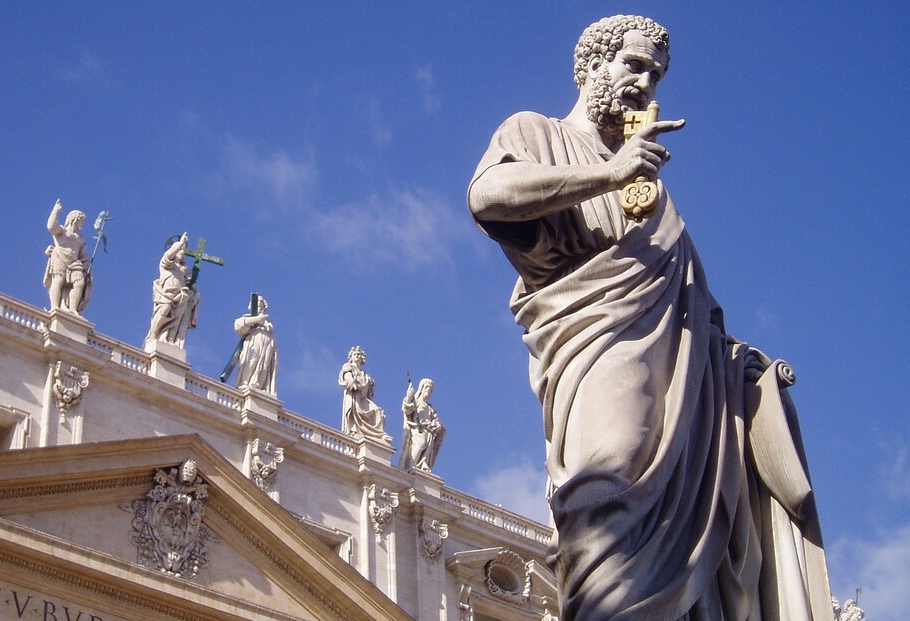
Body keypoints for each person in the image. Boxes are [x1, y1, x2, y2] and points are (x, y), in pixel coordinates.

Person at [468, 14, 831, 621]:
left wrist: (742, 370)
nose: (645, 82)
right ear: (592, 66)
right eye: (634, 65)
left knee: (678, 536)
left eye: (656, 73)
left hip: (679, 380)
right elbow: (488, 197)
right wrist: (609, 174)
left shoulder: (653, 192)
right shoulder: (535, 131)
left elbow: (696, 310)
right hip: (593, 347)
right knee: (602, 501)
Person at [145, 233, 198, 347]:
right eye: (180, 252)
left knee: (176, 319)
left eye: (183, 252)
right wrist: (180, 244)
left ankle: (166, 337)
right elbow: (169, 255)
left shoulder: (182, 271)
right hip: (166, 294)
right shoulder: (167, 264)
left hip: (180, 296)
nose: (182, 254)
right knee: (165, 308)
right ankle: (154, 334)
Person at [44, 199, 91, 314]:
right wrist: (55, 211)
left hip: (75, 263)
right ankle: (55, 306)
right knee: (58, 280)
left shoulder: (80, 239)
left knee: (79, 283)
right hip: (60, 257)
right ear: (74, 219)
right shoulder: (63, 231)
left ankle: (73, 309)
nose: (82, 224)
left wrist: (86, 266)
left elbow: (84, 256)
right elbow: (51, 226)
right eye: (81, 221)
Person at [338, 346, 387, 441]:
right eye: (354, 354)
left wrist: (370, 384)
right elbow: (346, 375)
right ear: (351, 357)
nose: (357, 356)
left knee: (378, 412)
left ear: (362, 358)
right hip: (354, 397)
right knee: (355, 416)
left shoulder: (365, 374)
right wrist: (351, 381)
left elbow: (369, 392)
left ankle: (377, 437)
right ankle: (355, 432)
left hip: (363, 399)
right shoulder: (348, 367)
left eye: (359, 354)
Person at [233, 295, 278, 395]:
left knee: (264, 366)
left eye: (260, 305)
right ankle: (244, 383)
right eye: (256, 305)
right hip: (254, 341)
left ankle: (259, 386)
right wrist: (257, 320)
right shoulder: (248, 318)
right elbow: (238, 326)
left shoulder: (268, 323)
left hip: (267, 344)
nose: (259, 307)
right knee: (251, 361)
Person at [397, 378, 444, 472]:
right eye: (427, 387)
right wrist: (409, 396)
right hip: (417, 428)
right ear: (421, 388)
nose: (428, 390)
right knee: (420, 443)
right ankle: (409, 465)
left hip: (429, 432)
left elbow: (437, 420)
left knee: (425, 447)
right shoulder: (416, 402)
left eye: (430, 389)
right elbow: (407, 410)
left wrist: (438, 425)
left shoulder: (430, 408)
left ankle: (418, 466)